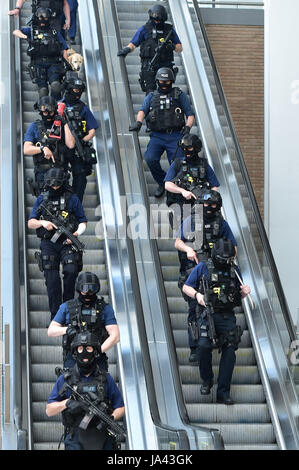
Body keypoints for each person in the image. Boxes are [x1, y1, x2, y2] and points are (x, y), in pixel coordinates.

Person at [182, 238, 251, 405]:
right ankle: (207, 380)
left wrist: (244, 293)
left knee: (230, 352)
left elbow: (236, 296)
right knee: (203, 346)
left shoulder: (234, 271)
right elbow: (186, 287)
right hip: (207, 314)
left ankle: (223, 392)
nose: (227, 263)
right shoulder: (203, 267)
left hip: (227, 317)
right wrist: (198, 296)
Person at [175, 189, 237, 363]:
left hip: (216, 272)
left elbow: (234, 247)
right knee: (194, 309)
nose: (209, 207)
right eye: (207, 204)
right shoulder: (192, 220)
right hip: (195, 270)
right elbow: (178, 241)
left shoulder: (222, 224)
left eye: (213, 204)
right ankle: (194, 347)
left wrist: (225, 258)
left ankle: (214, 341)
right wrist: (188, 249)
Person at [46, 331, 125, 450]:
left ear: (95, 352)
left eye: (88, 348)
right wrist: (67, 403)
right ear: (75, 352)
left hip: (102, 437)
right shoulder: (66, 379)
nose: (84, 353)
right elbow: (49, 410)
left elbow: (120, 407)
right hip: (75, 439)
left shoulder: (105, 378)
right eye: (80, 349)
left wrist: (110, 418)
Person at [27, 167, 87, 321]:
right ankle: (56, 316)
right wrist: (43, 222)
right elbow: (31, 223)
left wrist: (76, 234)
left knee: (71, 271)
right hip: (49, 243)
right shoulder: (42, 199)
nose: (54, 187)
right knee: (52, 279)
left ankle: (68, 312)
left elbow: (83, 221)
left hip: (67, 242)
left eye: (57, 184)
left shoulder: (72, 198)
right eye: (52, 184)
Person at [129, 67, 195, 198]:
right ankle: (163, 182)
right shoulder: (151, 96)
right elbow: (143, 110)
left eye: (167, 81)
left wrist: (187, 128)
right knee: (150, 158)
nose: (164, 84)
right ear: (157, 81)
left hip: (175, 135)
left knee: (177, 163)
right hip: (157, 136)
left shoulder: (179, 95)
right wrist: (138, 122)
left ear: (172, 81)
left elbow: (190, 114)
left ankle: (175, 189)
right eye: (161, 81)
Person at [48, 271, 120, 371]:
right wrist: (67, 329)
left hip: (97, 357)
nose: (88, 293)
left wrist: (98, 351)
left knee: (104, 384)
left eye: (92, 289)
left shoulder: (104, 308)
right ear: (79, 288)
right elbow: (51, 330)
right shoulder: (67, 307)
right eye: (85, 289)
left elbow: (115, 336)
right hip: (73, 357)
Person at [117, 3, 182, 94]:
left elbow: (180, 48)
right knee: (150, 92)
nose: (157, 22)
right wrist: (126, 50)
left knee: (166, 90)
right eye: (155, 19)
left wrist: (173, 46)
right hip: (149, 65)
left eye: (159, 20)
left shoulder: (169, 30)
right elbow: (133, 44)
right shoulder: (144, 29)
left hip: (165, 65)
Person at [164, 133, 220, 229]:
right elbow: (167, 184)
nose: (186, 151)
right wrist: (183, 191)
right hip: (181, 202)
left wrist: (207, 199)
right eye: (184, 149)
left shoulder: (204, 165)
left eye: (189, 148)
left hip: (199, 203)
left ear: (196, 148)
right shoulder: (177, 163)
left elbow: (214, 187)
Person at [13, 7, 69, 100]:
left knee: (56, 86)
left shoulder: (54, 32)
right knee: (43, 91)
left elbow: (64, 49)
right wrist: (26, 37)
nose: (43, 20)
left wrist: (67, 65)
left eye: (46, 18)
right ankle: (45, 109)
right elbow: (15, 31)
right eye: (40, 17)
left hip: (53, 63)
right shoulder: (32, 31)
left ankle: (56, 105)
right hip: (38, 64)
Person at [58, 71, 98, 202]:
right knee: (60, 175)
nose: (77, 93)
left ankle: (76, 203)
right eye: (75, 89)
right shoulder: (58, 105)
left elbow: (92, 130)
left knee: (80, 176)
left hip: (78, 149)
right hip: (61, 147)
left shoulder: (83, 108)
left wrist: (82, 141)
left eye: (80, 90)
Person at [24, 95, 75, 196]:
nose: (48, 115)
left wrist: (64, 123)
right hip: (43, 173)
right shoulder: (34, 127)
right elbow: (26, 149)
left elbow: (71, 144)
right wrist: (42, 148)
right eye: (45, 112)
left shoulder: (61, 125)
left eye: (51, 112)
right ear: (40, 111)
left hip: (60, 172)